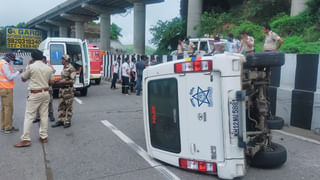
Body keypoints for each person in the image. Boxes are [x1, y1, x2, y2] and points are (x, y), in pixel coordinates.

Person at [14, 50, 54, 147]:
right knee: (44, 115)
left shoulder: (31, 67)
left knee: (29, 116)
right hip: (45, 93)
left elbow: (23, 79)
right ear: (42, 57)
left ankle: (26, 139)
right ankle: (44, 136)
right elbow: (52, 82)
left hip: (35, 94)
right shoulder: (48, 68)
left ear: (32, 58)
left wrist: (28, 66)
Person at [51, 55, 76, 128]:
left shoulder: (71, 68)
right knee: (61, 106)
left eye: (62, 60)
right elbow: (64, 78)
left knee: (68, 106)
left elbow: (72, 81)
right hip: (62, 90)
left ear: (66, 60)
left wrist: (62, 82)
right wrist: (58, 81)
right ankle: (60, 120)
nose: (61, 61)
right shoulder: (64, 68)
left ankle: (68, 121)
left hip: (68, 90)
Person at [0, 53, 22, 134]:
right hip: (7, 89)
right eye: (12, 60)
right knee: (9, 109)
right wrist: (18, 72)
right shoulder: (5, 65)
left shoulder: (0, 63)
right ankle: (8, 128)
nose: (11, 61)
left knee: (3, 108)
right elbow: (9, 77)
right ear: (8, 58)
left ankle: (3, 126)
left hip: (2, 88)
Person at [33, 56, 56, 123]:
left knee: (50, 102)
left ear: (45, 61)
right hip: (39, 87)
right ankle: (38, 117)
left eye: (43, 61)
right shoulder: (37, 67)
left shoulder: (48, 68)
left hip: (48, 87)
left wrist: (49, 63)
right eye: (41, 61)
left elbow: (53, 71)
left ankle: (51, 115)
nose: (42, 62)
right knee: (38, 102)